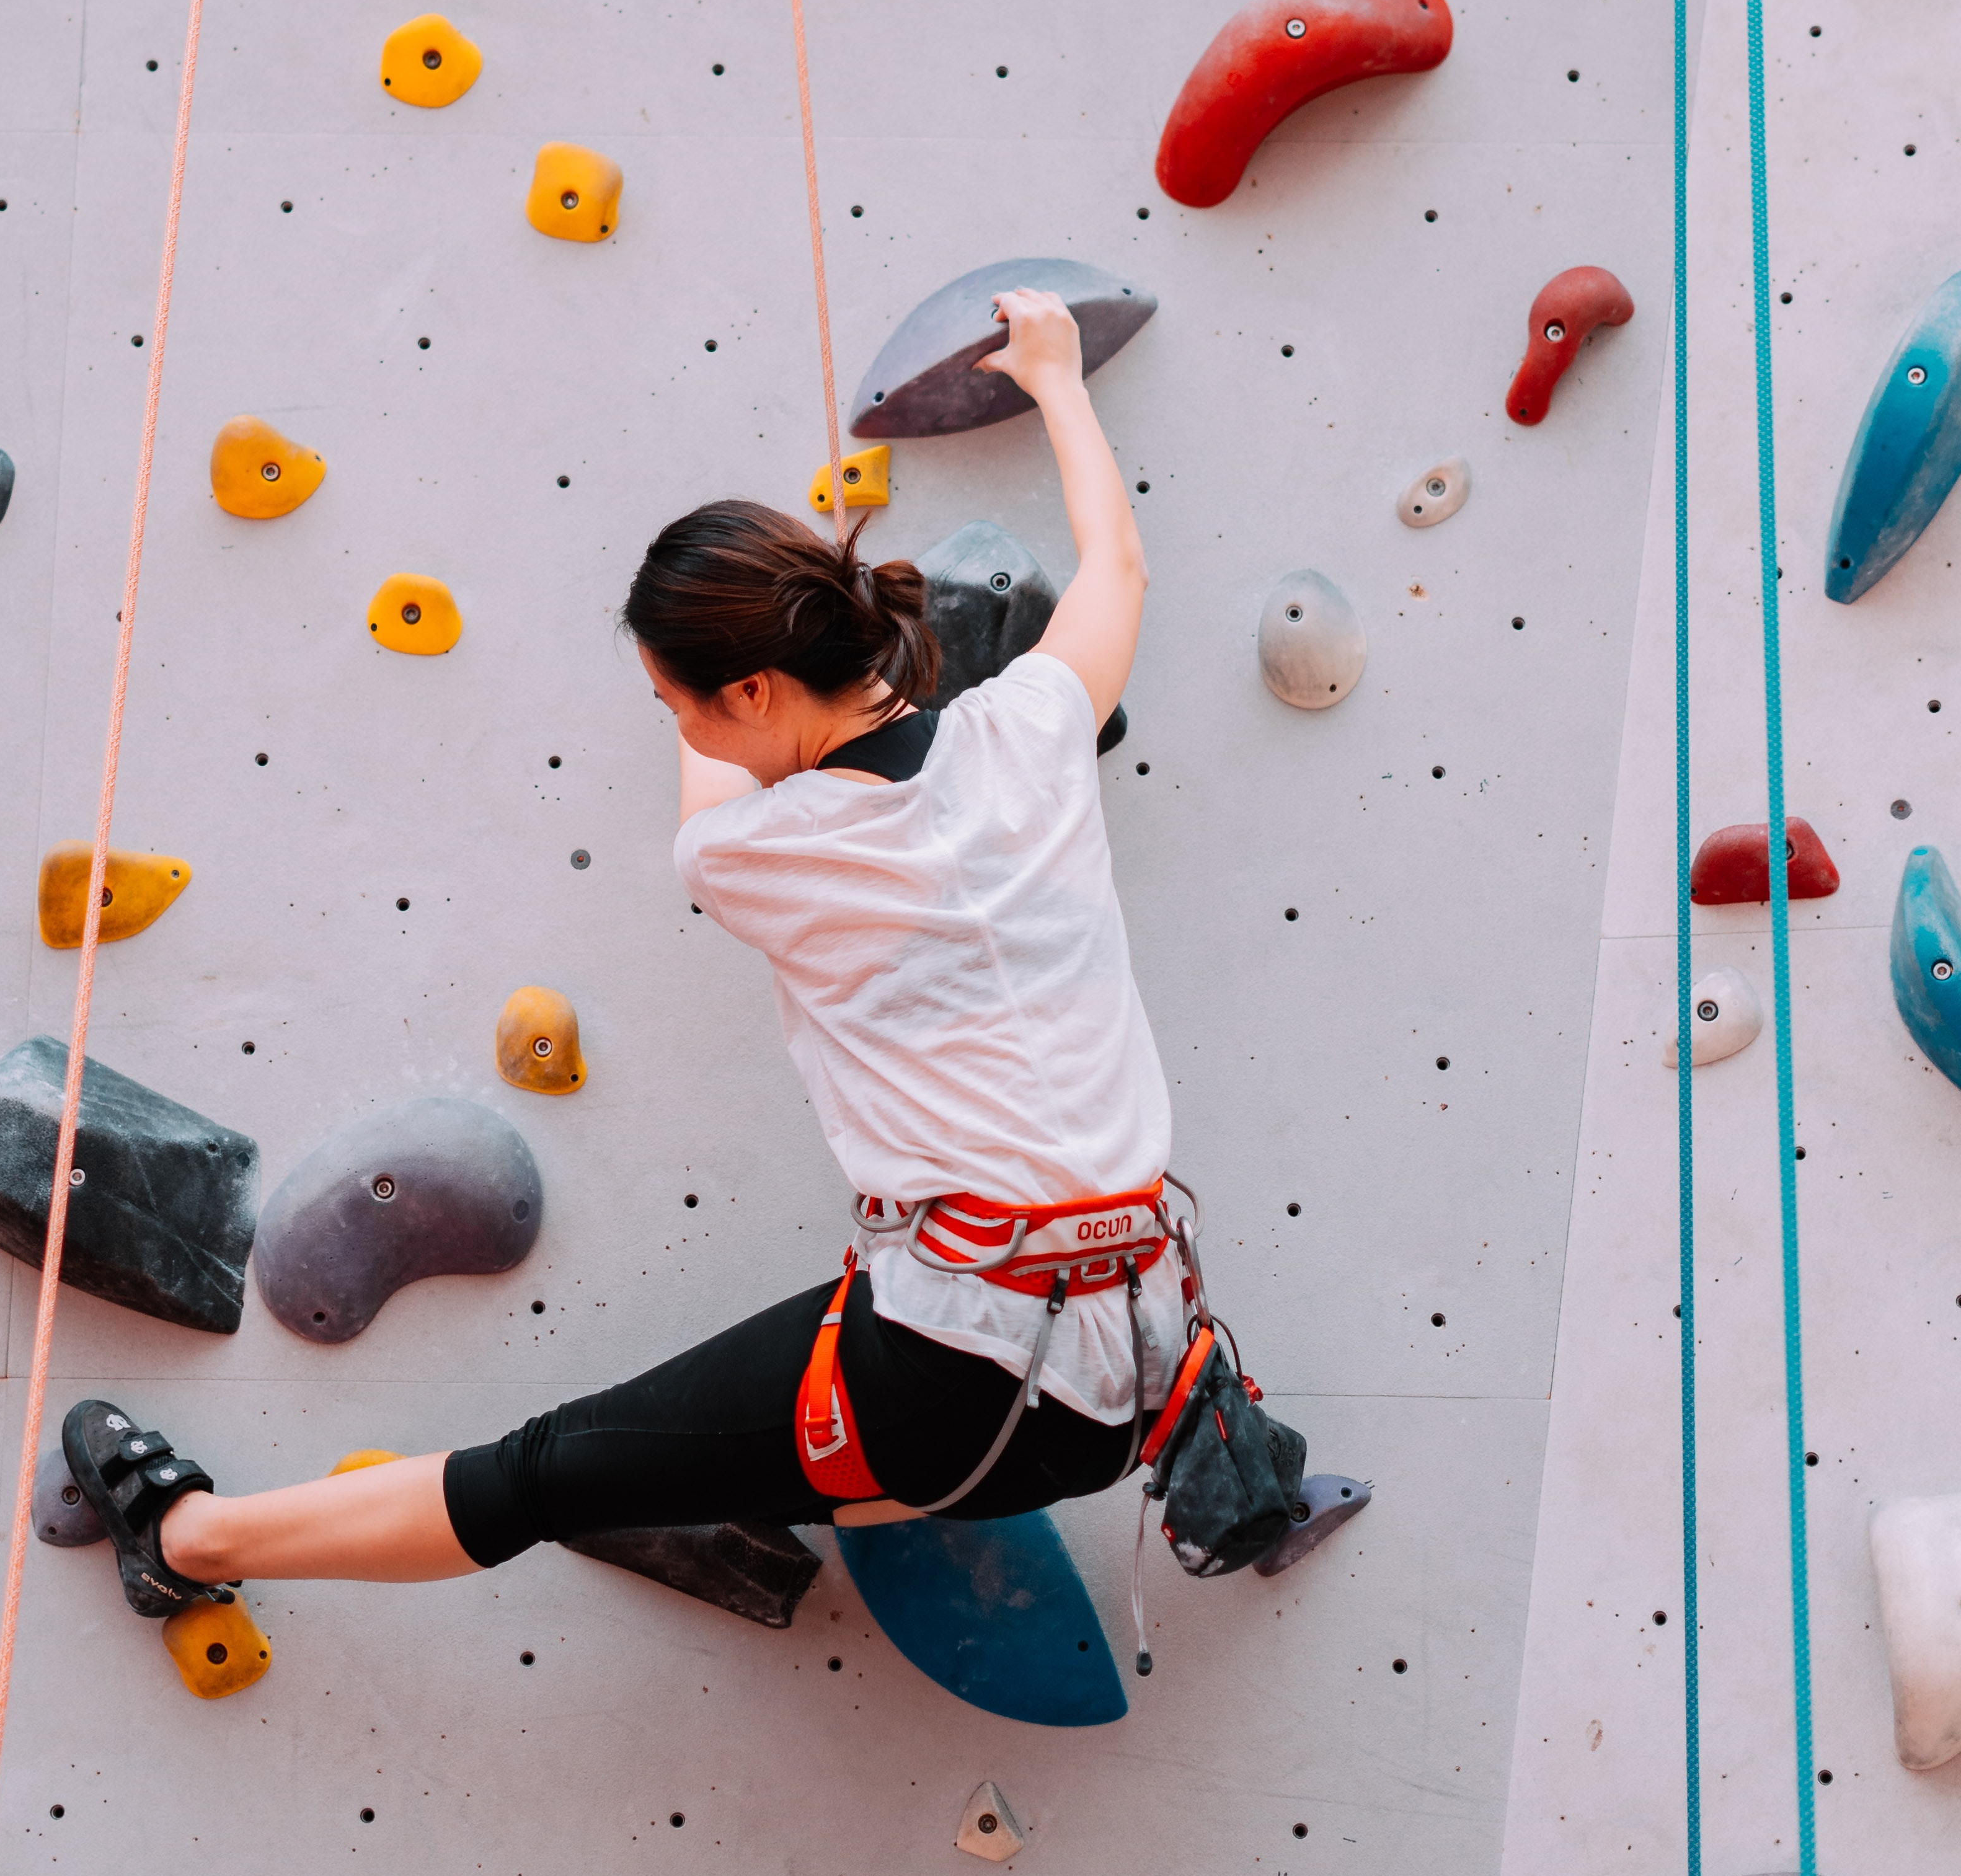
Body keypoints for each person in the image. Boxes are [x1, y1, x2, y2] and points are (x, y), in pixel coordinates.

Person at [63, 288, 1197, 1617]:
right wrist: (1057, 377)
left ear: (754, 692)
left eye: (677, 702)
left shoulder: (754, 855)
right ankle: (741, 1507)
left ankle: (183, 1545)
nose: (679, 727)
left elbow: (721, 783)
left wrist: (731, 644)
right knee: (737, 1437)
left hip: (960, 1384)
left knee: (539, 1473)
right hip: (1139, 1358)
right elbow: (1114, 570)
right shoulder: (1036, 732)